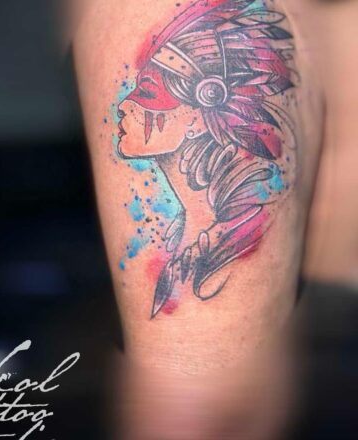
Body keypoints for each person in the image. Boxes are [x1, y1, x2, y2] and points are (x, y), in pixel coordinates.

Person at [73, 0, 330, 438]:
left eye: (149, 93)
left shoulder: (219, 259)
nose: (125, 104)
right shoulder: (191, 236)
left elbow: (199, 414)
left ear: (201, 111)